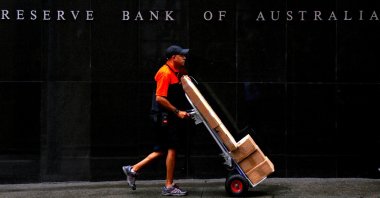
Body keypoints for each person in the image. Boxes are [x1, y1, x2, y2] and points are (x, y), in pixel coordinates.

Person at [122, 45, 190, 196]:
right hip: (163, 118)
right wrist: (177, 112)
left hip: (167, 117)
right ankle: (168, 186)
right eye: (182, 55)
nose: (185, 57)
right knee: (171, 148)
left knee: (161, 150)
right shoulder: (164, 73)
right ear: (174, 58)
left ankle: (132, 170)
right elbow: (160, 98)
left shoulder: (176, 72)